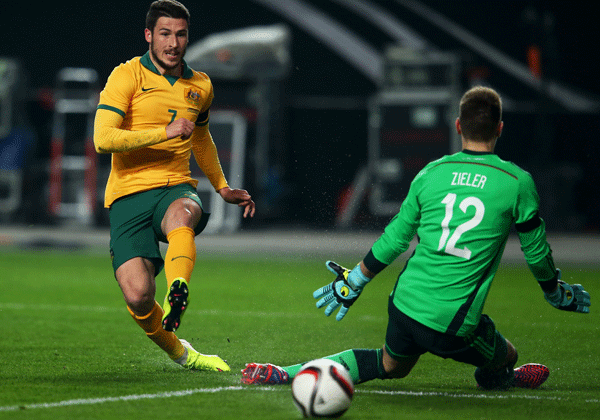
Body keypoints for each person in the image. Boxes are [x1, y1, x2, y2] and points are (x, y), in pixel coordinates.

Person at [241, 86, 590, 389]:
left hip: (404, 306)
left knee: (390, 364)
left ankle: (284, 373)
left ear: (458, 126)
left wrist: (355, 281)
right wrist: (555, 293)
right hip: (451, 324)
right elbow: (535, 251)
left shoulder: (431, 173)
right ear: (500, 128)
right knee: (507, 354)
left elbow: (395, 238)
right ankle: (499, 377)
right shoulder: (517, 182)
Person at [94, 0, 255, 372]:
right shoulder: (126, 76)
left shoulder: (200, 86)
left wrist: (221, 187)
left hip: (175, 187)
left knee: (183, 214)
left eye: (181, 34)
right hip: (128, 195)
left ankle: (178, 288)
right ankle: (183, 353)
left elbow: (201, 139)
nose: (173, 43)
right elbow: (102, 139)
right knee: (137, 297)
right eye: (165, 34)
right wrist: (162, 133)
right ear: (149, 35)